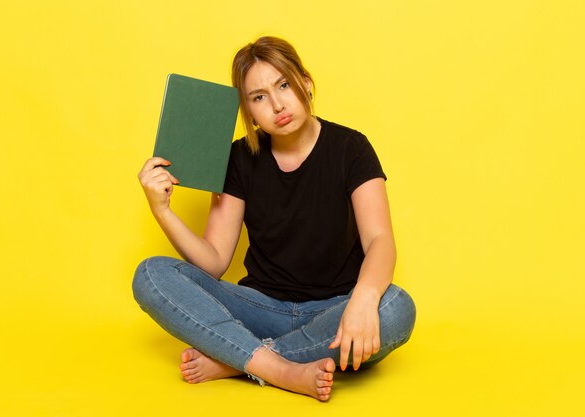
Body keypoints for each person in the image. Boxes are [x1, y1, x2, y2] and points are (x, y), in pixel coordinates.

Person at [133, 36, 416, 402]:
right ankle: (279, 369)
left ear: (306, 83)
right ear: (248, 112)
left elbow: (379, 239)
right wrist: (161, 210)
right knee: (151, 275)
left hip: (336, 310)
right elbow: (214, 262)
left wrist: (363, 299)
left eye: (283, 85)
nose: (277, 104)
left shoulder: (352, 148)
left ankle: (239, 359)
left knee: (396, 308)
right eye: (259, 97)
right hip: (259, 308)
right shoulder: (239, 158)